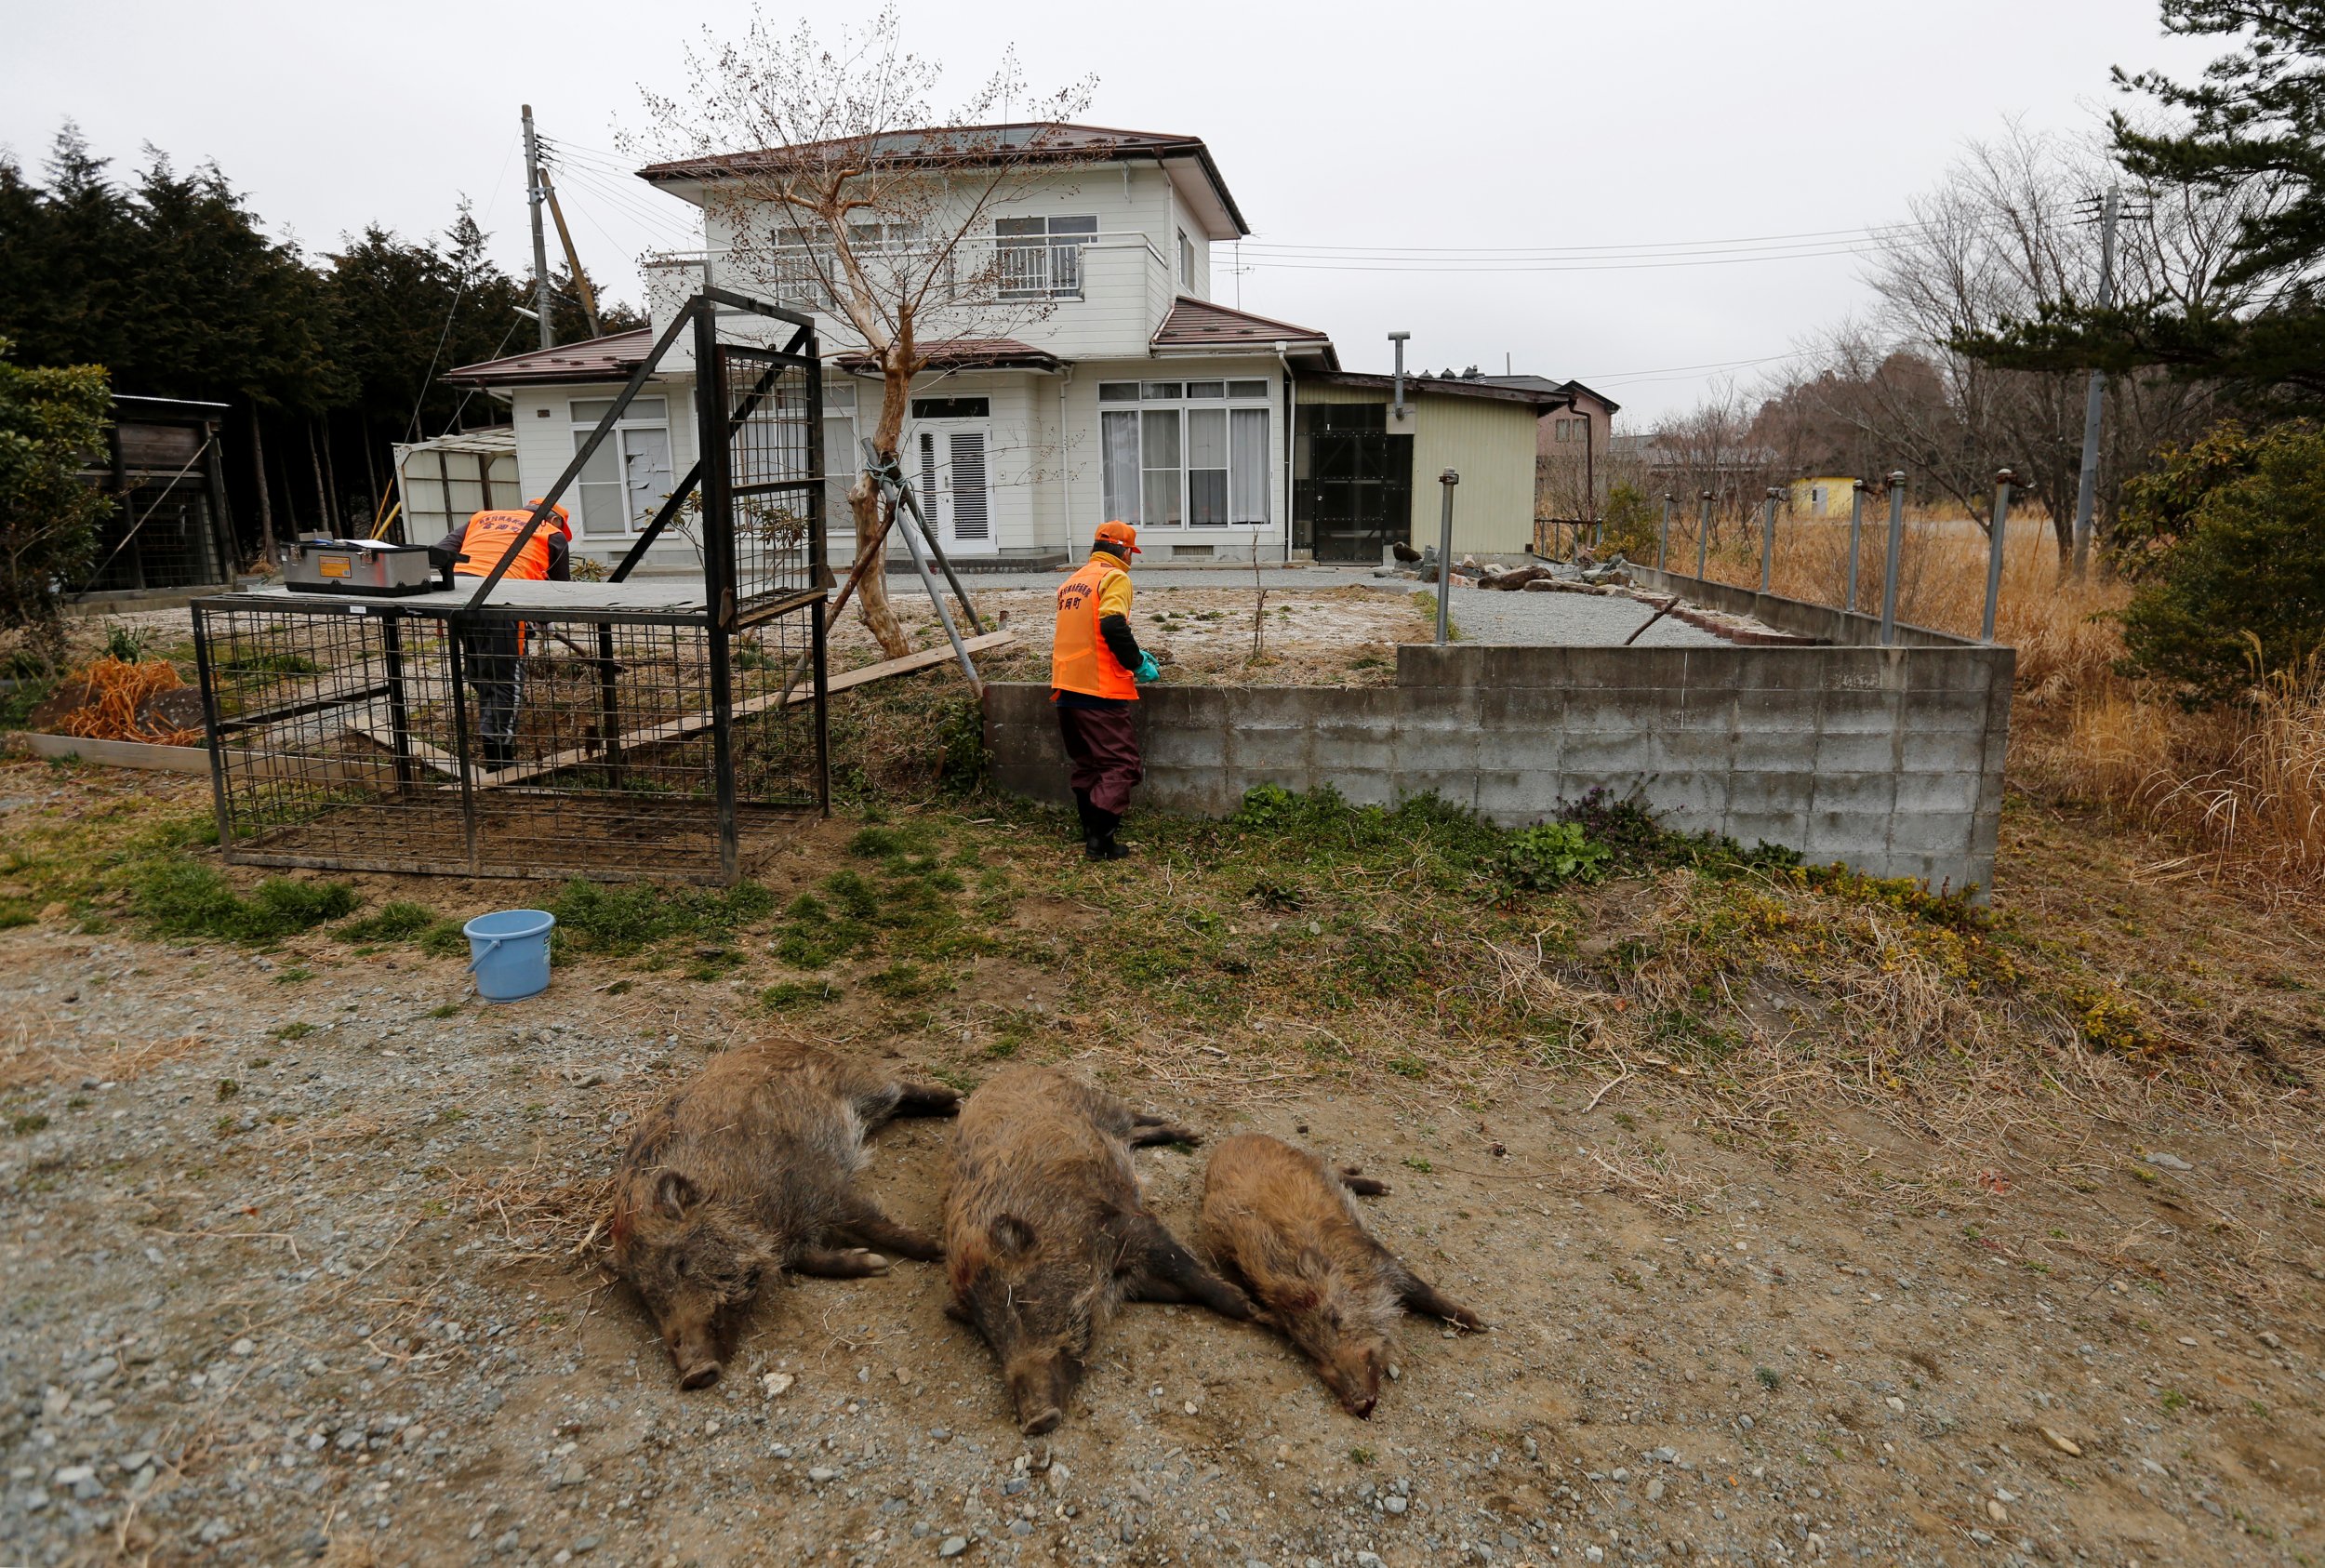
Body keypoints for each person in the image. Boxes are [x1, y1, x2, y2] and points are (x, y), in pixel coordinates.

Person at [1050, 520, 1160, 860]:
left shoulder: (1072, 581)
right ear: (1125, 551)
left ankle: (1089, 828)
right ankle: (1101, 841)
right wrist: (1136, 662)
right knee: (1121, 765)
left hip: (1067, 687)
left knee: (1088, 763)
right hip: (1100, 689)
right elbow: (1112, 622)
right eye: (1132, 552)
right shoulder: (1116, 578)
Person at [436, 499, 572, 769]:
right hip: (501, 603)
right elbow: (559, 589)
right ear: (556, 520)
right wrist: (545, 620)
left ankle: (491, 728)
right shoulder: (552, 534)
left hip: (457, 598)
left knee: (481, 669)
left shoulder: (482, 517)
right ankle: (499, 760)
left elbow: (441, 552)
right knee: (506, 680)